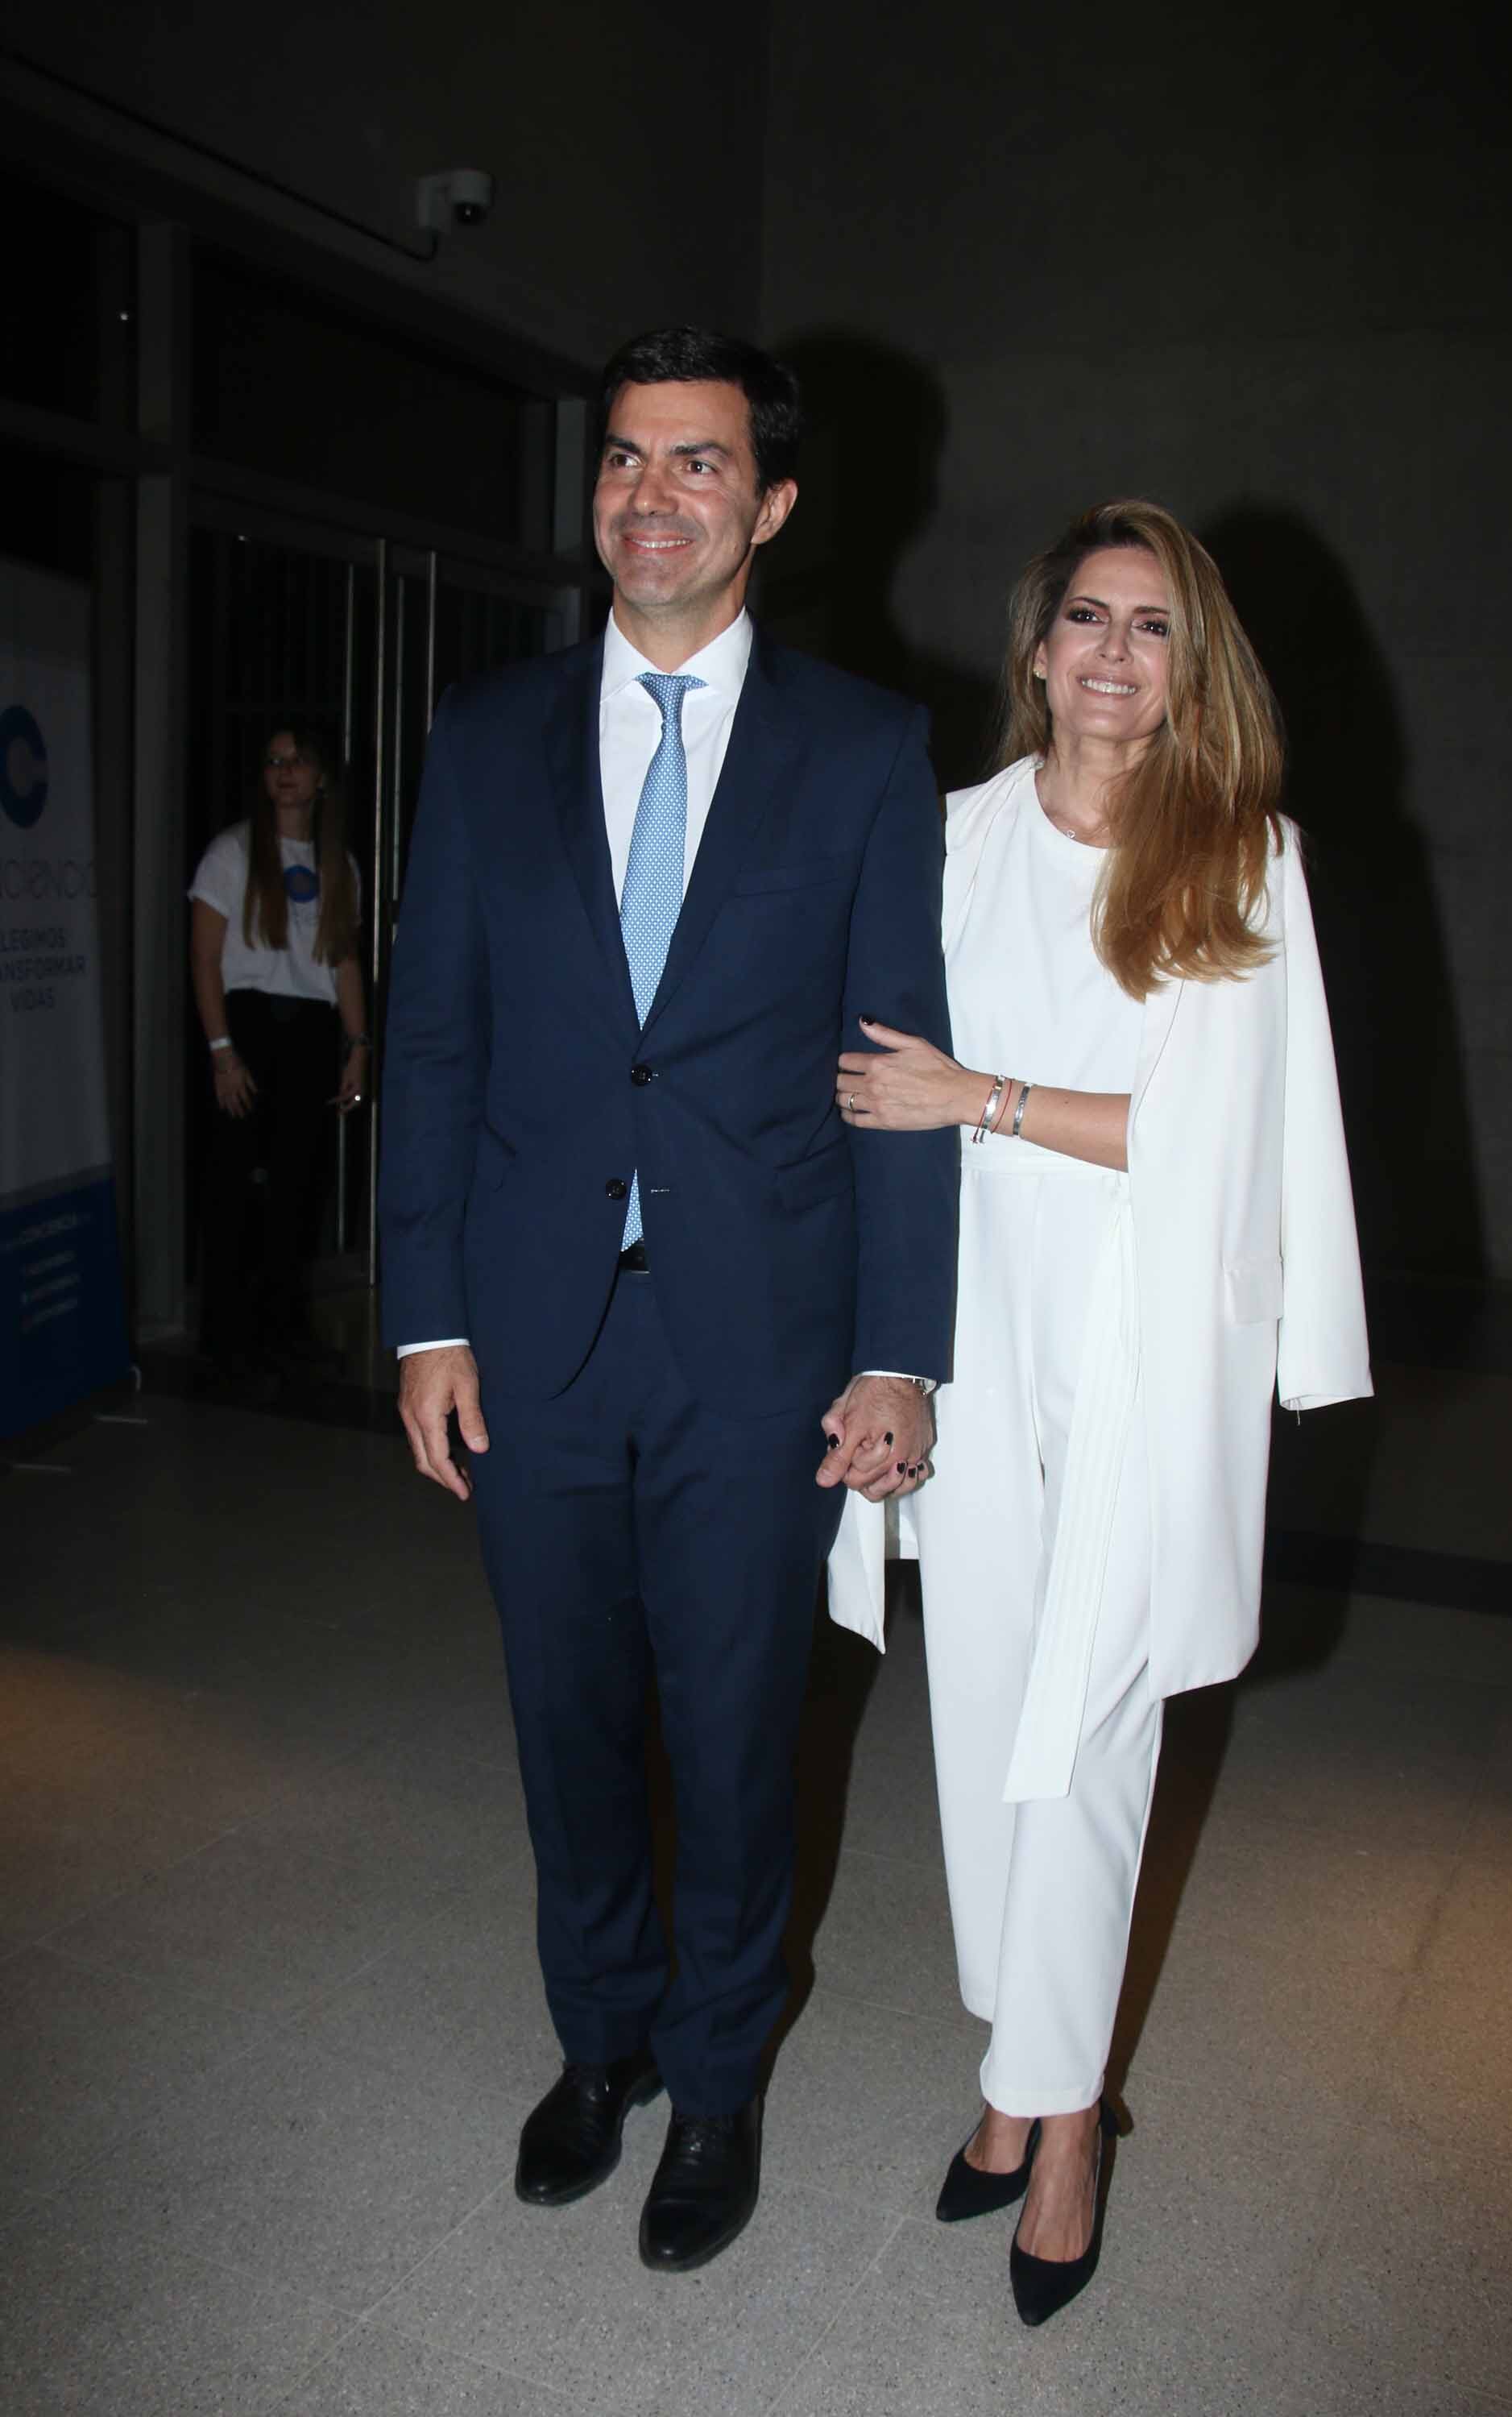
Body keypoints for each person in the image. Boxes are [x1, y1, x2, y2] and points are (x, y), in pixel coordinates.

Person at [379, 328, 957, 2274]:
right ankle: (601, 2038)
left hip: (759, 1342)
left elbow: (894, 1065)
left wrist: (896, 1344)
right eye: (624, 459)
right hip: (533, 1333)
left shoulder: (866, 749)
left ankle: (714, 2079)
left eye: (695, 464)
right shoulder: (484, 737)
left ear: (770, 504)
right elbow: (435, 1045)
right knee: (565, 1722)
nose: (649, 495)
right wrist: (422, 1315)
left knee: (727, 1728)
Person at [830, 499, 1370, 2326]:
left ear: (1184, 661)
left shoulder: (1242, 858)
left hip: (1145, 1343)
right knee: (982, 1707)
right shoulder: (952, 841)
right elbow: (858, 1094)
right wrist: (865, 1340)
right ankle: (1018, 2066)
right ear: (1036, 647)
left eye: (1152, 624)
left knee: (1090, 1715)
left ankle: (1057, 2127)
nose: (1115, 652)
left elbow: (1208, 1147)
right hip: (975, 1321)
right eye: (1086, 616)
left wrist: (975, 1094)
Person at [188, 724, 368, 1380]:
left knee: (300, 1186)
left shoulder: (337, 863)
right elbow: (204, 958)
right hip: (250, 1025)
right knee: (236, 1183)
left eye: (297, 761)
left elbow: (344, 962)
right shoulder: (232, 852)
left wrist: (357, 1047)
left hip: (312, 1032)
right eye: (273, 761)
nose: (284, 771)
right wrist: (222, 1051)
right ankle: (227, 1334)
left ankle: (286, 1326)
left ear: (321, 778)